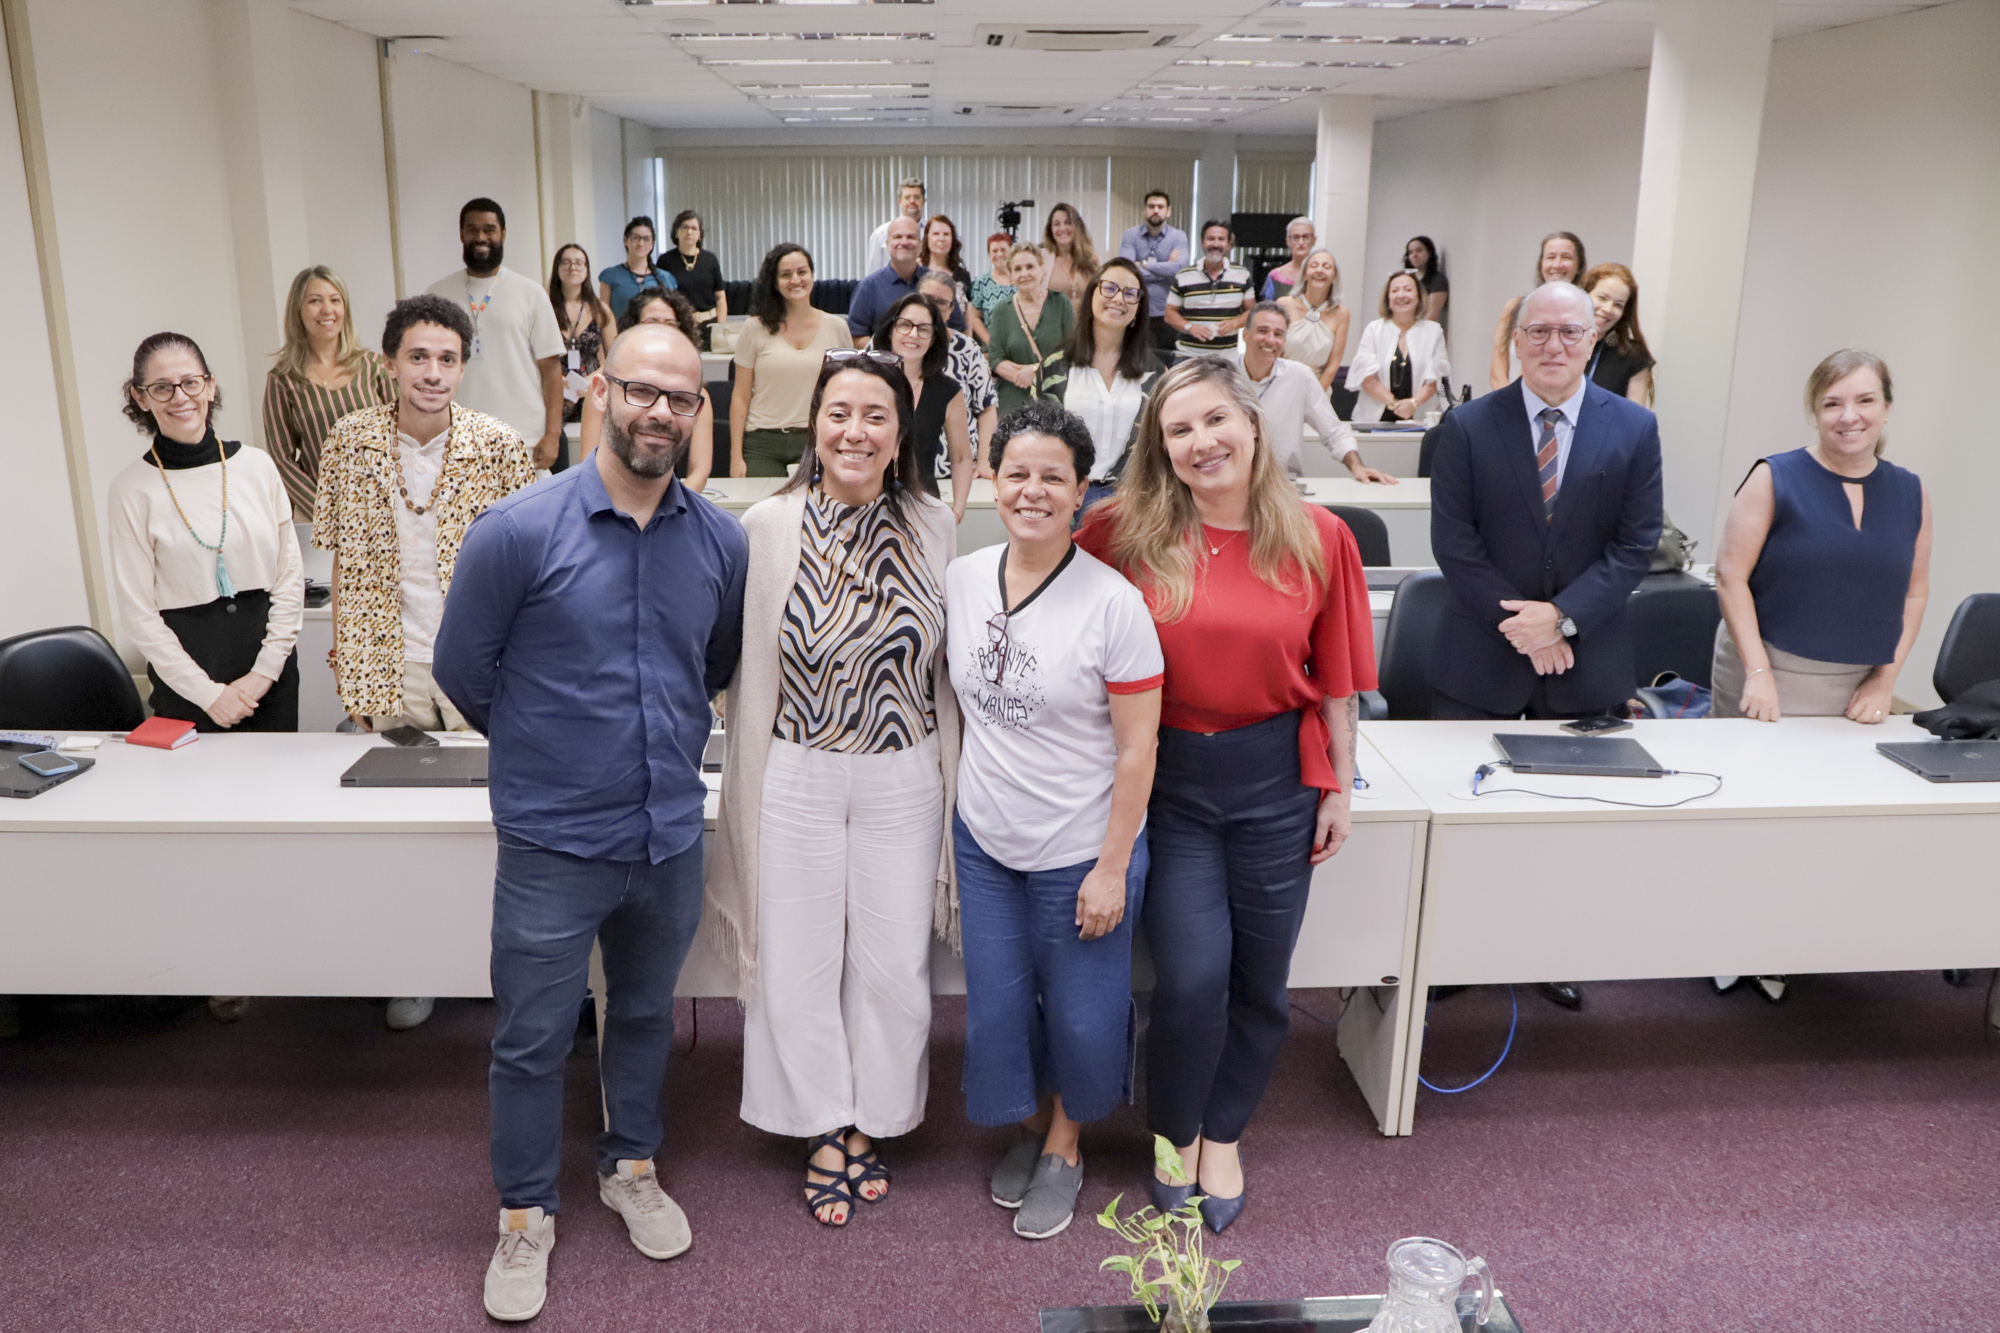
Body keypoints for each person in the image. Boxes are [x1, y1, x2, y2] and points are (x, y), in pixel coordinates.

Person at [433, 322, 746, 1322]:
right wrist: (552, 743)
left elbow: (713, 664)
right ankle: (524, 1215)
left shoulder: (719, 539)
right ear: (599, 391)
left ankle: (630, 1164)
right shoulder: (518, 530)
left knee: (648, 1014)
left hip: (666, 832)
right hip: (551, 839)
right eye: (642, 390)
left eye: (681, 397)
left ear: (699, 412)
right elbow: (462, 672)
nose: (660, 410)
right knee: (529, 1038)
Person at [1074, 356, 1374, 1234]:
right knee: (1192, 978)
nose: (1202, 442)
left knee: (1262, 981)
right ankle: (1173, 1130)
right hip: (1170, 783)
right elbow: (1048, 598)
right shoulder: (1121, 531)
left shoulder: (1321, 535)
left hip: (1277, 779)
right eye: (1179, 430)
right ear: (1160, 448)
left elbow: (1339, 681)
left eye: (1215, 421)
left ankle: (1224, 1131)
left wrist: (1339, 788)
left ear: (1252, 423)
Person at [709, 352, 961, 1229]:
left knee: (893, 964)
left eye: (877, 416)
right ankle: (820, 1121)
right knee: (798, 958)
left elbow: (946, 668)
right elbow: (731, 661)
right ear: (816, 426)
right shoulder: (767, 527)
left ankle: (878, 1116)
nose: (856, 431)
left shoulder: (934, 521)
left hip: (906, 772)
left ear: (900, 435)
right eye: (839, 413)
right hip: (799, 769)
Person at [948, 400, 1163, 1240]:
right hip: (987, 841)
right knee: (1000, 1004)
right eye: (1017, 474)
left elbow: (1138, 752)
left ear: (1081, 494)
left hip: (1082, 846)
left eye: (1053, 477)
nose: (1032, 490)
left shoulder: (1115, 606)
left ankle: (1068, 1145)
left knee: (1080, 1008)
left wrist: (1112, 866)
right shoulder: (965, 578)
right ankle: (1032, 1125)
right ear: (993, 483)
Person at [1428, 281, 1661, 1014]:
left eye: (1569, 332)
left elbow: (1635, 546)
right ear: (1517, 340)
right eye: (1539, 332)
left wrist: (1560, 619)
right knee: (1464, 821)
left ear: (1593, 339)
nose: (1554, 345)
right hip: (1479, 659)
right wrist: (1525, 626)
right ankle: (1447, 948)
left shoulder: (1634, 428)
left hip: (1584, 661)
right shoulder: (1467, 425)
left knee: (1566, 826)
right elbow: (1454, 544)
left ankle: (1547, 950)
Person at [313, 294, 536, 1033]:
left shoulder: (498, 445)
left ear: (464, 367)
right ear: (390, 363)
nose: (432, 372)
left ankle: (493, 960)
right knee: (401, 828)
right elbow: (341, 560)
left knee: (492, 819)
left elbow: (532, 572)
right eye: (418, 356)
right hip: (390, 659)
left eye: (447, 358)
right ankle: (410, 964)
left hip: (481, 663)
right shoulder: (349, 441)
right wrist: (349, 664)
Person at [1707, 350, 1929, 1005]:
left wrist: (1885, 680)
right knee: (1752, 817)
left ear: (1886, 408)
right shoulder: (1775, 477)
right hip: (1767, 672)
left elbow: (1914, 594)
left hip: (1857, 683)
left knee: (1825, 822)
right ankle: (1727, 941)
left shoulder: (1911, 489)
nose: (1848, 416)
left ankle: (1792, 941)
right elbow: (1730, 575)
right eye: (1832, 402)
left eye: (1863, 401)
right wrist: (1758, 672)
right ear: (1815, 410)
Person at [110, 332, 305, 736]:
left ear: (209, 385)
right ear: (141, 398)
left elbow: (289, 578)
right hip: (186, 684)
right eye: (162, 388)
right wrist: (208, 694)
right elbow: (139, 613)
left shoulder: (258, 466)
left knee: (284, 794)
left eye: (191, 382)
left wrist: (265, 674)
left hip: (269, 673)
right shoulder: (131, 488)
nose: (180, 397)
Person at [425, 198, 564, 470]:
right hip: (458, 439)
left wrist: (553, 434)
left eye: (489, 229)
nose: (480, 237)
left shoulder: (531, 293)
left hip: (524, 438)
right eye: (472, 229)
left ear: (503, 234)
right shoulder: (437, 296)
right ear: (461, 233)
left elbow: (550, 370)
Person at [261, 265, 395, 515]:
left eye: (335, 300)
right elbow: (281, 460)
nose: (327, 310)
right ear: (298, 311)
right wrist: (326, 511)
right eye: (315, 301)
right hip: (323, 515)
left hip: (386, 506)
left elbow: (404, 435)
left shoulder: (375, 367)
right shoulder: (282, 379)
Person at [1032, 257, 1162, 509]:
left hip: (1129, 502)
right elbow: (1039, 438)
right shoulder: (1055, 367)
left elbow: (1156, 444)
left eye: (1130, 293)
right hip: (1065, 498)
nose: (1118, 299)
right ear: (1092, 295)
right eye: (1110, 288)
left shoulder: (1154, 372)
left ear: (1138, 306)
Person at [730, 243, 853, 477]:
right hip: (761, 443)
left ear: (812, 276)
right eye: (786, 275)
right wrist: (736, 457)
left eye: (802, 272)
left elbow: (847, 392)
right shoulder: (755, 327)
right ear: (775, 282)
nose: (795, 280)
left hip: (817, 439)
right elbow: (741, 395)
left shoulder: (837, 327)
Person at [1239, 303, 1394, 485]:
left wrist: (1357, 466)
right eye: (1262, 331)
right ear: (1245, 334)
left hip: (1282, 483)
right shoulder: (1220, 376)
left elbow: (1334, 431)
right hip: (1228, 484)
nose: (1270, 340)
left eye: (1278, 334)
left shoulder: (1299, 376)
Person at [582, 288, 713, 491]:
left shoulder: (698, 396)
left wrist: (676, 510)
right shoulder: (608, 388)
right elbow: (588, 461)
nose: (662, 413)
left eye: (670, 323)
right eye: (640, 392)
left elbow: (700, 470)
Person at [871, 291, 972, 518]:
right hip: (867, 506)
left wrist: (958, 510)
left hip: (924, 508)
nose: (913, 334)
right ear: (890, 329)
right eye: (905, 325)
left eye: (924, 328)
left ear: (934, 337)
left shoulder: (948, 391)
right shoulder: (867, 381)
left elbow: (962, 457)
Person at [918, 271, 998, 479]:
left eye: (941, 302)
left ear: (951, 309)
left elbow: (987, 408)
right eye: (926, 299)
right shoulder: (888, 343)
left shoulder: (967, 348)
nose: (932, 307)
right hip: (905, 475)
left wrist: (984, 462)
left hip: (960, 472)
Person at [1346, 272, 1450, 425]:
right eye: (1395, 291)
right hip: (1375, 418)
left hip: (1420, 418)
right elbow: (1366, 378)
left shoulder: (1434, 331)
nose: (1401, 295)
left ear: (1419, 296)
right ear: (1388, 298)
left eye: (1408, 290)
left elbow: (1435, 379)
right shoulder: (1374, 330)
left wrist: (1413, 404)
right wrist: (1396, 404)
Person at [985, 242, 1074, 419]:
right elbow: (995, 358)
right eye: (1017, 269)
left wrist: (1035, 371)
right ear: (1010, 275)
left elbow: (1072, 351)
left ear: (1042, 270)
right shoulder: (1001, 310)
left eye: (1030, 266)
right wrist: (1022, 375)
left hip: (1054, 399)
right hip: (1012, 403)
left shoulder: (1061, 303)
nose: (1024, 273)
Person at [1489, 231, 1585, 391]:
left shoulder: (1585, 314)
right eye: (1551, 257)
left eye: (1566, 257)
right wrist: (1509, 405)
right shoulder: (1514, 308)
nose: (1557, 265)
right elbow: (1497, 372)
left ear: (1579, 266)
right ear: (1541, 264)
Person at [550, 244, 614, 455]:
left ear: (586, 270)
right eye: (566, 262)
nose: (572, 267)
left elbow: (615, 356)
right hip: (555, 386)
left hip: (592, 385)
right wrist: (557, 379)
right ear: (557, 268)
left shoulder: (600, 309)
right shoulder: (545, 307)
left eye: (579, 263)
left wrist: (590, 380)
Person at [1164, 221, 1254, 359]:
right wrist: (1190, 327)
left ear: (1229, 244)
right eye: (1210, 239)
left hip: (1228, 358)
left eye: (1221, 239)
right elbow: (1169, 314)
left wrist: (1234, 323)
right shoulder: (1183, 275)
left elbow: (1252, 312)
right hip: (1188, 355)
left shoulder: (1242, 275)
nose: (1215, 244)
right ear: (1202, 242)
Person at [1118, 190, 1190, 360]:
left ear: (1168, 211)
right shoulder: (1131, 235)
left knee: (1165, 362)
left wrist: (1144, 265)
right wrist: (1165, 268)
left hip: (1166, 315)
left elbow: (1179, 269)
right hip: (1135, 311)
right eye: (1151, 206)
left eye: (1160, 206)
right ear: (1145, 210)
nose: (1156, 210)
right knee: (1132, 360)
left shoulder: (1178, 236)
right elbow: (1127, 268)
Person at [1274, 248, 1350, 397]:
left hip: (1318, 391)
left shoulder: (1342, 314)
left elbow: (1332, 366)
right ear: (1304, 274)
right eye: (1314, 266)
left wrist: (1314, 398)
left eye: (1326, 267)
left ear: (1334, 276)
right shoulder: (1284, 305)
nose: (1319, 271)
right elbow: (1274, 353)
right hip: (1281, 386)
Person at [1580, 263, 1655, 405]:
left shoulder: (1633, 357)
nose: (1608, 309)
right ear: (1583, 294)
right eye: (1602, 298)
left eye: (1618, 305)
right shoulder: (1553, 343)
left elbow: (1635, 422)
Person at [848, 216, 928, 347]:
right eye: (897, 237)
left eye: (911, 237)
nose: (904, 242)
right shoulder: (868, 287)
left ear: (921, 245)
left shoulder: (937, 283)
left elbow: (956, 329)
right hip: (883, 365)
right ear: (887, 245)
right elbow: (855, 337)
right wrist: (890, 354)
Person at [599, 216, 674, 330]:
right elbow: (603, 319)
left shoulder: (665, 278)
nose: (641, 243)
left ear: (652, 243)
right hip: (621, 339)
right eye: (636, 238)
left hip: (656, 339)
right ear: (626, 240)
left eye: (646, 239)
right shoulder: (610, 276)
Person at [662, 210, 726, 344]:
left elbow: (720, 297)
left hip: (709, 326)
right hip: (679, 326)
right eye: (684, 227)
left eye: (694, 228)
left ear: (700, 235)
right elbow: (661, 298)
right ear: (676, 232)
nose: (689, 232)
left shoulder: (710, 259)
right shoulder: (665, 261)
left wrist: (721, 327)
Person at [920, 213, 975, 337]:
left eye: (946, 234)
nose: (941, 238)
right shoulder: (918, 271)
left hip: (956, 341)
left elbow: (968, 317)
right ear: (927, 238)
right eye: (936, 234)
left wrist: (969, 345)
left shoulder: (962, 275)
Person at [1041, 201, 1101, 310]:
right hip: (1054, 325)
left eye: (1068, 222)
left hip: (1084, 325)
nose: (1062, 228)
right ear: (1050, 229)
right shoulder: (1042, 258)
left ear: (1077, 226)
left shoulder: (1092, 259)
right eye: (1057, 224)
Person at [864, 175, 926, 277]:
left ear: (923, 201)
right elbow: (873, 274)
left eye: (917, 197)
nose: (912, 201)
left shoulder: (933, 233)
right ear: (900, 202)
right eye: (907, 197)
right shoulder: (881, 234)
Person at [1258, 217, 1316, 301]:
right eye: (1296, 237)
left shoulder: (1321, 275)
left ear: (1314, 240)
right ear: (1288, 241)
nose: (1301, 242)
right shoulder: (1275, 277)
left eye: (1306, 237)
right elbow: (1267, 310)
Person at [970, 231, 1016, 332]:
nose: (999, 254)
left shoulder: (1021, 278)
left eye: (1003, 250)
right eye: (995, 251)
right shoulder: (981, 282)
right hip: (993, 343)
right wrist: (989, 342)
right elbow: (974, 317)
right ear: (989, 255)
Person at [1404, 235, 1449, 324]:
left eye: (1419, 251)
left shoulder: (1438, 280)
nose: (1414, 255)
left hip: (1422, 331)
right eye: (1411, 252)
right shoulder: (1407, 279)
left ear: (1429, 253)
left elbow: (1431, 317)